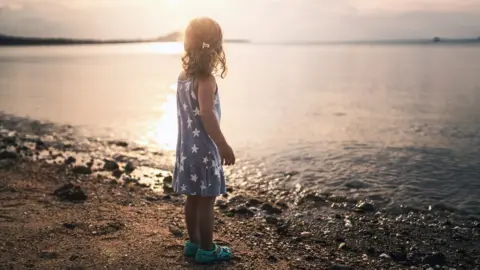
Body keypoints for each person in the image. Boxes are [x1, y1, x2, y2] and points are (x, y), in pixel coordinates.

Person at [172, 17, 236, 264]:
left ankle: (194, 243)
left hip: (186, 150)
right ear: (216, 46)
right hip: (204, 150)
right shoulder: (206, 79)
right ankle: (208, 250)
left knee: (193, 198)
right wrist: (222, 144)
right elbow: (207, 114)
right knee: (207, 200)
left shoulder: (183, 75)